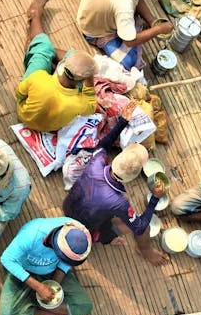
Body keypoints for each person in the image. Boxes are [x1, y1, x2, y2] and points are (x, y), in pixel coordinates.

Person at [63, 101, 168, 265]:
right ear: (132, 177)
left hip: (68, 207)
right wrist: (154, 198)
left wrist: (123, 122)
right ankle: (142, 249)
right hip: (84, 229)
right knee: (144, 228)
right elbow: (139, 227)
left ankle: (105, 234)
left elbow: (104, 144)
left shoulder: (97, 161)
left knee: (105, 210)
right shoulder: (119, 202)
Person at [16, 0, 97, 132]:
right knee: (74, 55)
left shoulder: (39, 78)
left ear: (61, 66)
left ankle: (35, 21)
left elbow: (19, 94)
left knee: (44, 47)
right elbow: (92, 106)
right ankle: (41, 47)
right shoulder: (80, 103)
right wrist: (89, 81)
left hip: (24, 115)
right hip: (48, 128)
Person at [76, 0, 173, 70]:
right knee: (130, 61)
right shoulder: (124, 6)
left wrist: (151, 20)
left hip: (92, 2)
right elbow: (130, 41)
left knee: (133, 18)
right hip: (92, 29)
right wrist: (158, 29)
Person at [0, 217, 93, 315]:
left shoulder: (79, 232)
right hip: (24, 271)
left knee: (85, 306)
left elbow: (65, 263)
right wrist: (38, 287)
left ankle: (39, 304)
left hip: (52, 271)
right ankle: (50, 314)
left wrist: (54, 284)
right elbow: (6, 259)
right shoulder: (31, 234)